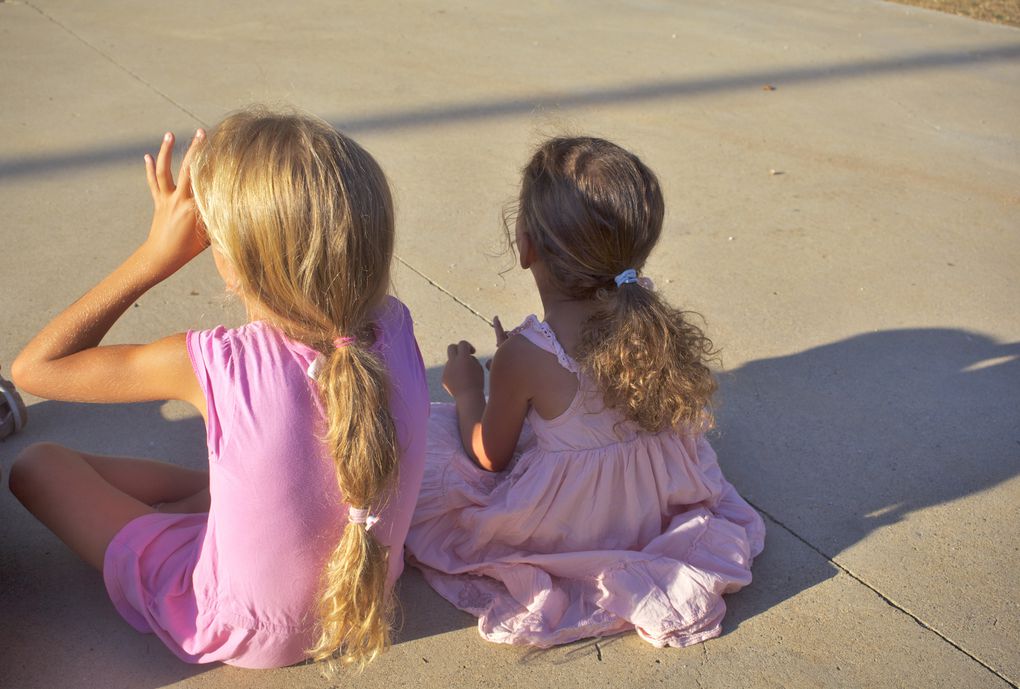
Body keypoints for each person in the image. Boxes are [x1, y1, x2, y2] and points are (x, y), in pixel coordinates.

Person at [9, 108, 429, 669]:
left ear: (229, 263)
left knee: (39, 464)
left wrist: (153, 257)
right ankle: (204, 502)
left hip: (241, 629)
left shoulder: (215, 364)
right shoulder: (395, 324)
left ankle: (197, 504)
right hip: (370, 588)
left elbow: (35, 370)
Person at [405, 136, 765, 648]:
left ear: (525, 244)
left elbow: (489, 456)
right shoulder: (646, 319)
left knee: (429, 435)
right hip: (652, 501)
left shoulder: (526, 355)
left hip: (566, 520)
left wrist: (469, 390)